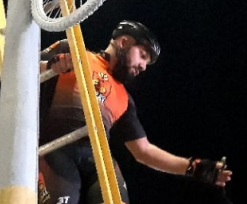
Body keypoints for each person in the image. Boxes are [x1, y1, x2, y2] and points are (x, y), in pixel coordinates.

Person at [37, 20, 233, 204]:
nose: (143, 66)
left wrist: (193, 168)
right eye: (143, 55)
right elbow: (21, 67)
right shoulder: (74, 51)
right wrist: (51, 66)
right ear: (123, 42)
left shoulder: (125, 100)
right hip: (57, 151)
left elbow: (144, 151)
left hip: (97, 159)